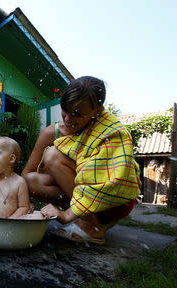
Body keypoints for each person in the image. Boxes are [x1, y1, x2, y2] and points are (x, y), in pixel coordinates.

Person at [22, 76, 141, 244]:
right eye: (65, 109)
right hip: (78, 195)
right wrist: (23, 204)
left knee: (52, 156)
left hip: (114, 200)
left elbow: (117, 180)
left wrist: (66, 215)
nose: (68, 119)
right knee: (29, 181)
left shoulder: (110, 133)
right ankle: (93, 221)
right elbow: (26, 175)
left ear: (97, 111)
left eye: (77, 114)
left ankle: (91, 225)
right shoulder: (51, 133)